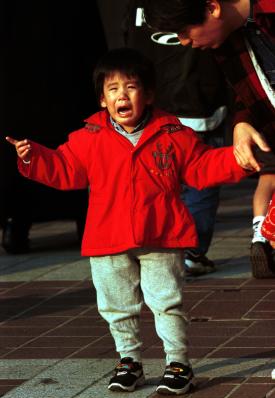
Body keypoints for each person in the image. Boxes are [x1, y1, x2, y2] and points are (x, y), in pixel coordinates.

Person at [6, 47, 249, 395]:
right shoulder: (87, 138)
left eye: (131, 87)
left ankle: (178, 364)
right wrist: (34, 158)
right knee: (116, 305)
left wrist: (238, 160)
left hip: (162, 234)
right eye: (113, 88)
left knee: (167, 301)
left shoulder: (173, 134)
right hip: (108, 238)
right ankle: (129, 362)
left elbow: (201, 168)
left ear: (148, 94)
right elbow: (64, 169)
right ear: (103, 100)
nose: (122, 94)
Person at [142, 0, 275, 279]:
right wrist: (242, 124)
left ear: (212, 8)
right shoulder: (224, 43)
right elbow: (246, 92)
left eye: (184, 31)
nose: (184, 43)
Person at [99, 0, 232, 276]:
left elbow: (127, 41)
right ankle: (191, 250)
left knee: (156, 181)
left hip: (152, 107)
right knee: (201, 181)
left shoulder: (140, 5)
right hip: (199, 102)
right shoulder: (200, 8)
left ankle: (156, 246)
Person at [0, 2, 107, 254]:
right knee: (26, 149)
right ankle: (20, 222)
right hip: (49, 81)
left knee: (70, 147)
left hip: (52, 81)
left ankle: (20, 223)